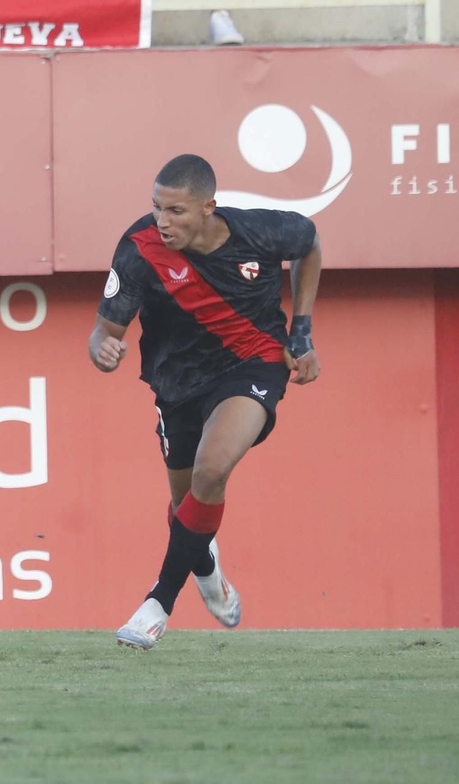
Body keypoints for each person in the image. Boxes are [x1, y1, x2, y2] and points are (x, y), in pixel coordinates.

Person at [89, 153, 322, 650]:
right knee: (186, 507)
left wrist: (300, 330)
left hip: (252, 364)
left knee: (211, 471)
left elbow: (310, 242)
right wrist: (103, 350)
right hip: (175, 385)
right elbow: (102, 331)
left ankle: (157, 605)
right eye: (157, 208)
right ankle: (206, 566)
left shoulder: (262, 233)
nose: (163, 221)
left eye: (176, 211)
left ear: (208, 208)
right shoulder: (138, 250)